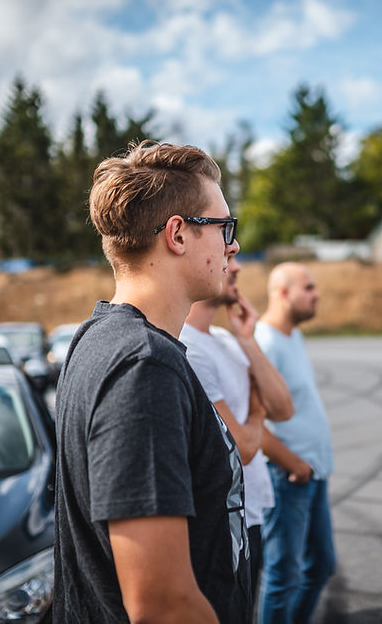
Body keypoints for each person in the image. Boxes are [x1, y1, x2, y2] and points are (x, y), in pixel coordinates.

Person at [53, 140, 251, 623]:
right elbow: (161, 604)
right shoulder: (144, 366)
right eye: (224, 227)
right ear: (178, 234)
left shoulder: (98, 337)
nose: (233, 244)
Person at [180, 254, 295, 602]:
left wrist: (247, 339)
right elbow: (242, 448)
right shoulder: (190, 348)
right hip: (226, 520)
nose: (239, 267)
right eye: (229, 257)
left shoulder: (225, 339)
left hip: (252, 509)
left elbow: (283, 407)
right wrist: (257, 413)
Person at [254, 262, 336, 624]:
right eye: (309, 287)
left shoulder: (292, 337)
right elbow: (253, 423)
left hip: (312, 472)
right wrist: (294, 464)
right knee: (283, 576)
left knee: (320, 565)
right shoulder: (265, 343)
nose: (316, 294)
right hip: (288, 477)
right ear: (283, 293)